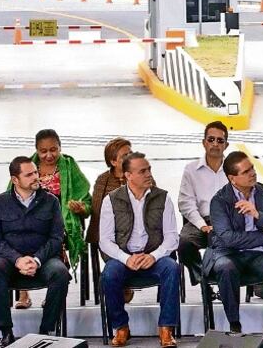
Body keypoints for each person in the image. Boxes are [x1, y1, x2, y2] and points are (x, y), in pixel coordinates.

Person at [204, 151, 263, 346]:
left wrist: (258, 215)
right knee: (225, 268)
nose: (253, 173)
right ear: (232, 178)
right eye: (246, 171)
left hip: (260, 253)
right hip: (228, 254)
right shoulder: (220, 200)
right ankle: (235, 327)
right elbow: (227, 239)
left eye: (252, 168)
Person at [0, 157, 70, 348]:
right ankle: (5, 333)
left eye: (35, 172)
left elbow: (56, 238)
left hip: (43, 257)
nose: (36, 177)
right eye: (29, 174)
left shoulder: (51, 201)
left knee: (60, 273)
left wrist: (37, 260)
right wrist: (17, 259)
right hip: (9, 258)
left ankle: (46, 331)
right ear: (15, 180)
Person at [99, 153, 180, 348]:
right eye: (142, 171)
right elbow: (105, 240)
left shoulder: (163, 197)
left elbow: (172, 237)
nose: (148, 174)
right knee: (109, 274)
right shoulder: (111, 200)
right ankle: (120, 327)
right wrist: (125, 258)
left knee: (172, 268)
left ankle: (166, 329)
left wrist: (154, 256)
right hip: (124, 257)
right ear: (128, 175)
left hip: (154, 255)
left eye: (149, 169)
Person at [16, 129, 90, 309]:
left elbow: (87, 201)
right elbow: (13, 197)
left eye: (53, 150)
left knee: (56, 237)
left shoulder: (69, 166)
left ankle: (53, 291)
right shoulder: (27, 167)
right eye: (43, 151)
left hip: (61, 221)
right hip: (32, 220)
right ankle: (23, 293)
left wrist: (80, 208)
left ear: (60, 147)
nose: (49, 155)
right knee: (19, 235)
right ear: (36, 150)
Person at [178, 123, 228, 286]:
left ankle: (220, 276)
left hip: (227, 222)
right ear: (204, 142)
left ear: (226, 145)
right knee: (182, 243)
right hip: (199, 221)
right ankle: (202, 275)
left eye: (220, 141)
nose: (215, 144)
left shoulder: (234, 168)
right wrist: (202, 225)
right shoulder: (191, 170)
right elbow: (186, 203)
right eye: (211, 139)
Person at [88, 138, 133, 247]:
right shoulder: (103, 180)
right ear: (113, 162)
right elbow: (97, 212)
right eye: (125, 156)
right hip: (110, 239)